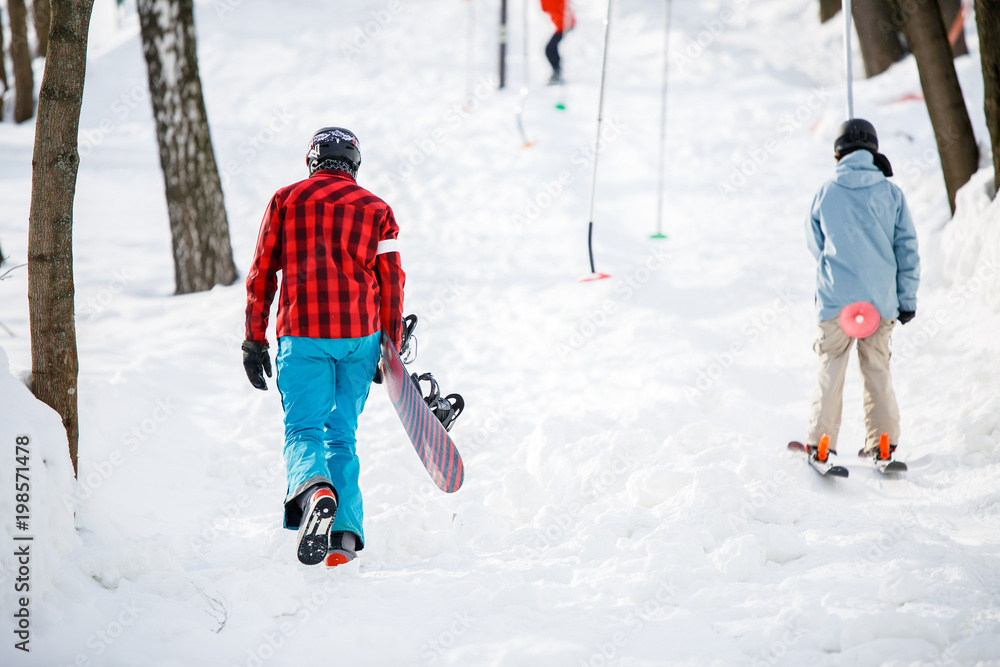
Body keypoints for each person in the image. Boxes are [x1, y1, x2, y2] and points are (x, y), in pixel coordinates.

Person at [242, 127, 405, 567]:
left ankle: (315, 492)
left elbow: (261, 275)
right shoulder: (377, 209)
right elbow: (391, 280)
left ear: (313, 160)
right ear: (354, 162)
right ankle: (345, 539)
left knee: (304, 431)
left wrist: (254, 340)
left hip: (303, 334)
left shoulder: (285, 200)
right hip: (360, 339)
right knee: (343, 436)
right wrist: (389, 345)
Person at [804, 118, 920, 461]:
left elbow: (817, 245)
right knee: (877, 369)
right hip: (880, 301)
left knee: (831, 366)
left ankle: (821, 444)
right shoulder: (891, 193)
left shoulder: (826, 192)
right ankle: (883, 443)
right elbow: (907, 250)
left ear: (838, 153)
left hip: (836, 303)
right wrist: (906, 299)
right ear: (873, 150)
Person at [541, 0, 575, 85]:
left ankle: (557, 72)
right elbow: (545, 8)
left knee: (549, 49)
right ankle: (557, 71)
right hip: (561, 26)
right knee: (551, 49)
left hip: (564, 25)